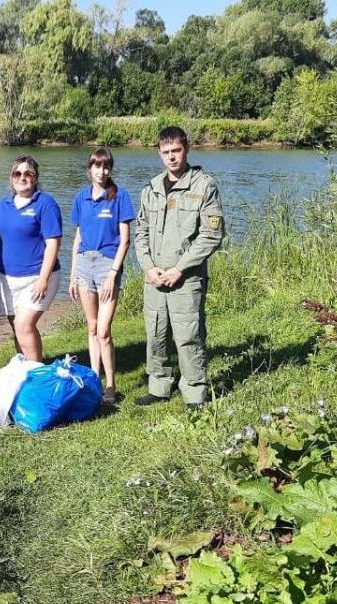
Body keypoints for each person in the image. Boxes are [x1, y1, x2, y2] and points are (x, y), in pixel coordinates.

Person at [134, 126, 224, 409]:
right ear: (159, 154)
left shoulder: (203, 186)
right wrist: (148, 268)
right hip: (155, 278)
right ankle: (159, 385)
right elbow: (141, 233)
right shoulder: (151, 189)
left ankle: (195, 392)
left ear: (186, 150)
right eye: (166, 152)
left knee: (188, 336)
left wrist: (179, 269)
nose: (172, 157)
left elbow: (212, 234)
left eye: (177, 151)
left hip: (186, 278)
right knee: (156, 333)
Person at [68, 147, 134, 403]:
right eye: (97, 166)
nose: (101, 171)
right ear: (89, 169)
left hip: (108, 265)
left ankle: (111, 385)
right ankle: (94, 379)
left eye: (106, 167)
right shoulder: (80, 198)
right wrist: (73, 275)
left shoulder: (120, 197)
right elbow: (78, 238)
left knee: (104, 331)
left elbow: (125, 241)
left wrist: (113, 274)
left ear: (110, 169)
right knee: (92, 326)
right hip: (84, 264)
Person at [0, 155, 62, 362]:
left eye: (28, 173)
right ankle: (24, 367)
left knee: (24, 325)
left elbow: (53, 243)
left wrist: (43, 279)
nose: (22, 177)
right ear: (11, 177)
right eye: (17, 173)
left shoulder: (46, 204)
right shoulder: (3, 205)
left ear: (35, 178)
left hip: (37, 276)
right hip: (7, 278)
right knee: (16, 325)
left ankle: (36, 374)